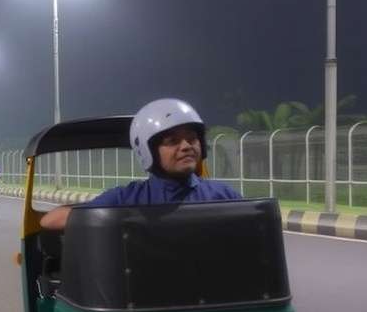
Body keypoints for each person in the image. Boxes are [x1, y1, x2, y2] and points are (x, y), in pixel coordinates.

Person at [40, 98, 242, 230]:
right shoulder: (127, 198)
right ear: (149, 151)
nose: (186, 146)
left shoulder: (222, 195)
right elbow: (50, 220)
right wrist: (111, 218)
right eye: (172, 142)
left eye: (192, 139)